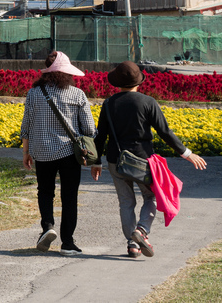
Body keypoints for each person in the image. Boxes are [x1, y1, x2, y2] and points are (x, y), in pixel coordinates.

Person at [91, 61, 207, 258]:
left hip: (115, 160)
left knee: (126, 202)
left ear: (117, 82)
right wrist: (187, 153)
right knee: (150, 197)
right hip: (143, 162)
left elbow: (100, 135)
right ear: (139, 82)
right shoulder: (147, 102)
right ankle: (142, 230)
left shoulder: (109, 104)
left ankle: (132, 244)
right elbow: (165, 132)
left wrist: (96, 162)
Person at [20, 51, 96, 255]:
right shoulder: (77, 94)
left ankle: (47, 227)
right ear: (67, 73)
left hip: (42, 151)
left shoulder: (34, 93)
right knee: (69, 196)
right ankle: (68, 243)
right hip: (70, 153)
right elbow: (89, 129)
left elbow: (26, 126)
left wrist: (26, 152)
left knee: (45, 191)